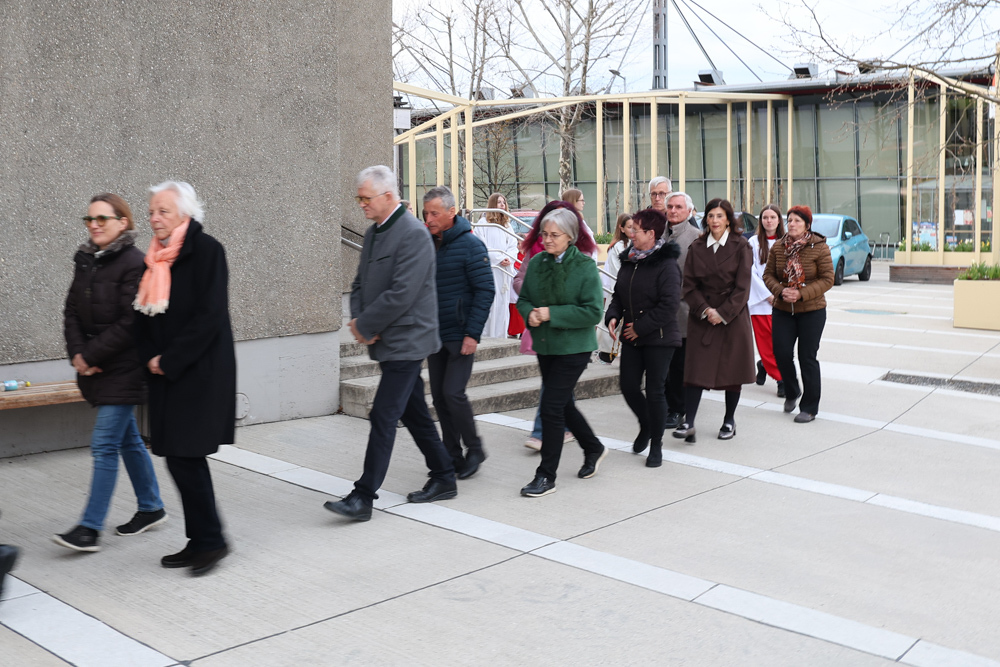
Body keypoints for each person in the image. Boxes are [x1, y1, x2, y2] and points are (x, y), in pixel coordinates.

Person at [325, 166, 458, 521]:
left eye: (366, 198)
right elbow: (360, 284)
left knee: (384, 414)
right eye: (359, 198)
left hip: (409, 341)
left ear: (387, 196)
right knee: (413, 412)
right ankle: (444, 475)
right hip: (386, 338)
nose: (361, 204)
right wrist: (360, 320)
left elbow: (402, 293)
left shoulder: (413, 234)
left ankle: (363, 496)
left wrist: (367, 324)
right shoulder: (374, 232)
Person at [55, 193, 167, 553]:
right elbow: (71, 311)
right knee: (127, 440)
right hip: (95, 367)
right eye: (89, 219)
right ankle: (151, 506)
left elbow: (131, 322)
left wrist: (89, 355)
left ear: (123, 222)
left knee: (104, 444)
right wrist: (78, 354)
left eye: (102, 218)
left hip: (125, 368)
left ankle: (89, 528)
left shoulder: (135, 263)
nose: (94, 225)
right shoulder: (85, 259)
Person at [134, 181, 235, 576]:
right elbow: (142, 316)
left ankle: (212, 541)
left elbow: (210, 316)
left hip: (198, 375)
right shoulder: (156, 258)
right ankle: (201, 540)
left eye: (163, 211)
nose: (154, 218)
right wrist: (149, 356)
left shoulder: (207, 251)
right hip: (167, 374)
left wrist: (168, 359)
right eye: (151, 211)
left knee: (186, 457)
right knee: (179, 459)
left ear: (184, 214)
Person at [516, 204, 606, 497]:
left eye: (554, 235)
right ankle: (593, 447)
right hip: (546, 346)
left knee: (551, 407)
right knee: (563, 404)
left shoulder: (584, 267)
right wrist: (529, 313)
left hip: (574, 348)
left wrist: (550, 314)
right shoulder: (538, 262)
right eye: (544, 234)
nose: (547, 239)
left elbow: (592, 311)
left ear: (570, 236)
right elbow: (524, 299)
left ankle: (546, 476)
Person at [424, 186, 494, 479]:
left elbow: (485, 290)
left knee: (453, 393)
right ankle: (451, 455)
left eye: (434, 213)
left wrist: (472, 334)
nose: (428, 219)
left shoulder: (471, 245)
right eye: (426, 213)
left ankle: (475, 449)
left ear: (451, 212)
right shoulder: (427, 244)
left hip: (460, 334)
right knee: (440, 398)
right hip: (434, 335)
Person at [673, 198, 755, 443]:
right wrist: (705, 309)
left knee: (732, 371)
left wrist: (723, 313)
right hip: (703, 316)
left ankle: (729, 420)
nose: (715, 220)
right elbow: (689, 285)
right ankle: (689, 422)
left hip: (733, 317)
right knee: (695, 370)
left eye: (720, 216)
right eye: (710, 216)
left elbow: (743, 287)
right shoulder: (697, 246)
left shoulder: (741, 246)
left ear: (728, 219)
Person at [605, 209, 682, 467]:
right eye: (630, 228)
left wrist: (640, 327)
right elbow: (618, 295)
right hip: (632, 336)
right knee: (628, 386)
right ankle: (646, 424)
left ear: (651, 234)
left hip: (660, 337)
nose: (631, 233)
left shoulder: (667, 265)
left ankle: (656, 444)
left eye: (636, 229)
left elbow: (669, 305)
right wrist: (613, 316)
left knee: (655, 390)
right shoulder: (630, 259)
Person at [763, 205, 834, 423]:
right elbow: (768, 275)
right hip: (783, 310)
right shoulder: (778, 247)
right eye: (790, 220)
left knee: (807, 357)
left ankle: (809, 408)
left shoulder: (819, 247)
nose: (792, 224)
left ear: (807, 225)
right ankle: (792, 391)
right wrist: (780, 290)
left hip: (812, 311)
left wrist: (801, 294)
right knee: (781, 353)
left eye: (797, 221)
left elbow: (827, 279)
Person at [662, 192, 701, 429]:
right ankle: (668, 405)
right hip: (660, 313)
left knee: (679, 364)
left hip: (684, 312)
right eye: (670, 206)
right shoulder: (659, 234)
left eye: (678, 207)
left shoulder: (696, 237)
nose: (673, 211)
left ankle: (678, 409)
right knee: (664, 364)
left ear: (688, 211)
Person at [748, 205, 785, 397]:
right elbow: (750, 271)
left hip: (783, 300)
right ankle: (781, 380)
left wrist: (781, 293)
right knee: (766, 344)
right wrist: (767, 295)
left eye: (772, 217)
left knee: (781, 344)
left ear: (779, 220)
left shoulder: (787, 242)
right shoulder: (753, 242)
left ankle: (763, 364)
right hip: (761, 302)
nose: (769, 221)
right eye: (765, 217)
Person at [474, 192, 517, 339]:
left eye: (504, 202)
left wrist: (508, 258)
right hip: (491, 269)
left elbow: (513, 245)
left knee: (502, 306)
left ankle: (500, 336)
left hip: (504, 270)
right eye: (499, 202)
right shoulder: (483, 223)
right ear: (493, 204)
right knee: (491, 304)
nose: (502, 205)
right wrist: (499, 258)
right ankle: (487, 337)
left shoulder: (507, 225)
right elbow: (481, 245)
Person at [597, 214, 634, 363]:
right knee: (612, 321)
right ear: (622, 228)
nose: (633, 230)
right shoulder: (617, 247)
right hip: (618, 290)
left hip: (632, 290)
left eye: (635, 227)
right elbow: (616, 272)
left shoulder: (636, 244)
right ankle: (606, 353)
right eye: (629, 227)